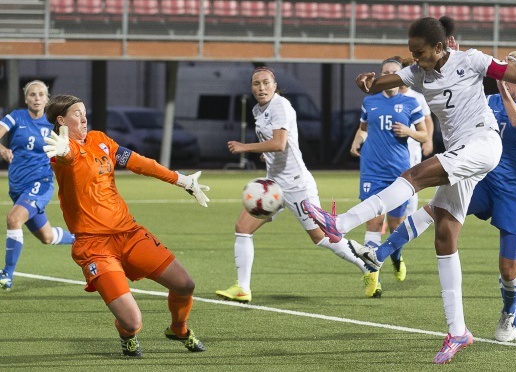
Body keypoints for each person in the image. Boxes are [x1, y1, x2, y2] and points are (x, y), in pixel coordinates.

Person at [302, 16, 516, 364]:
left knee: (416, 173)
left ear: (441, 46)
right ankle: (459, 331)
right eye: (412, 53)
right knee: (445, 237)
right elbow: (381, 83)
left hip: (482, 143)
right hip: (459, 151)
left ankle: (339, 224)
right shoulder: (417, 72)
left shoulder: (472, 61)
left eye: (420, 52)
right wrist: (367, 81)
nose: (415, 59)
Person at [350, 52, 516, 344]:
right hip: (488, 184)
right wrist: (452, 62)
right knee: (437, 208)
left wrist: (501, 88)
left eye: (509, 71)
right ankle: (379, 255)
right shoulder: (490, 101)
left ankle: (509, 316)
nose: (503, 74)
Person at [42, 94, 210, 357]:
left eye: (84, 112)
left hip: (128, 233)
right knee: (133, 321)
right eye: (76, 114)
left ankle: (178, 329)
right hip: (94, 246)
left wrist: (181, 180)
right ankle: (127, 335)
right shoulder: (64, 151)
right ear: (61, 120)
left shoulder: (101, 140)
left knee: (185, 284)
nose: (84, 118)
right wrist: (63, 150)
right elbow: (66, 155)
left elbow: (139, 163)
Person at [216, 67, 376, 302]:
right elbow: (276, 144)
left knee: (323, 237)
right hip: (274, 184)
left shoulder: (280, 105)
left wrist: (245, 147)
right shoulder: (257, 109)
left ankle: (368, 265)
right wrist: (265, 155)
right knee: (243, 228)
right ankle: (242, 288)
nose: (261, 88)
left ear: (274, 85)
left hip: (296, 184)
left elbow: (279, 143)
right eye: (256, 84)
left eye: (265, 83)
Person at [349, 56, 428, 282]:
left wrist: (409, 132)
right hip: (372, 169)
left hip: (398, 171)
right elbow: (364, 128)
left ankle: (396, 257)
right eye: (385, 73)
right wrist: (357, 140)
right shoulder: (370, 101)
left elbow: (424, 134)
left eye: (393, 72)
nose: (388, 76)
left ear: (401, 76)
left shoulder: (411, 103)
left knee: (395, 224)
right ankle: (372, 276)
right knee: (374, 220)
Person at [0, 80, 75, 291]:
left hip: (40, 184)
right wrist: (3, 150)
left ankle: (7, 273)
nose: (37, 98)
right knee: (47, 237)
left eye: (41, 94)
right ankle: (83, 239)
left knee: (14, 219)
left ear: (47, 99)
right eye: (32, 94)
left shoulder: (54, 125)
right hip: (17, 186)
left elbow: (68, 151)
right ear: (26, 99)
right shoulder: (16, 117)